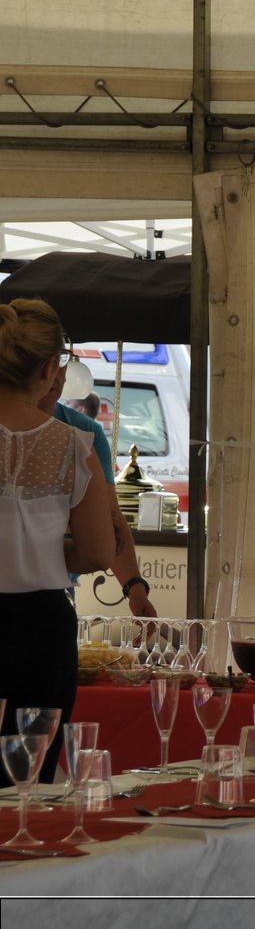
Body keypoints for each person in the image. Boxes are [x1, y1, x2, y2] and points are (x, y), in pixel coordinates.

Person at [0, 299, 115, 782]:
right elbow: (97, 552)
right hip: (38, 630)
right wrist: (41, 550)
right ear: (49, 368)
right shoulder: (73, 446)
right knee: (27, 781)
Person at [46, 361, 157, 618]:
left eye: (59, 361)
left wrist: (134, 587)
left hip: (56, 593)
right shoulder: (77, 438)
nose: (54, 373)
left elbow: (110, 520)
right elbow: (100, 543)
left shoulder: (85, 432)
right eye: (43, 362)